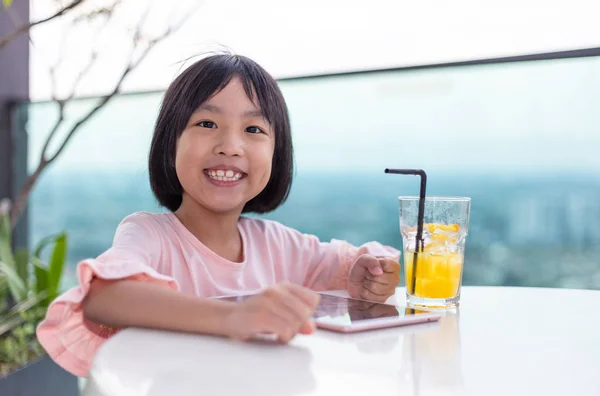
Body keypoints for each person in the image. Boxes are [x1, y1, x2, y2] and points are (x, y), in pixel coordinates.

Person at [36, 53, 401, 377]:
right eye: (207, 124)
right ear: (170, 142)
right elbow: (104, 298)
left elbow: (348, 269)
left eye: (253, 129)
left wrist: (366, 276)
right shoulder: (150, 235)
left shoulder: (279, 244)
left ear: (278, 155)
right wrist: (233, 318)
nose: (230, 146)